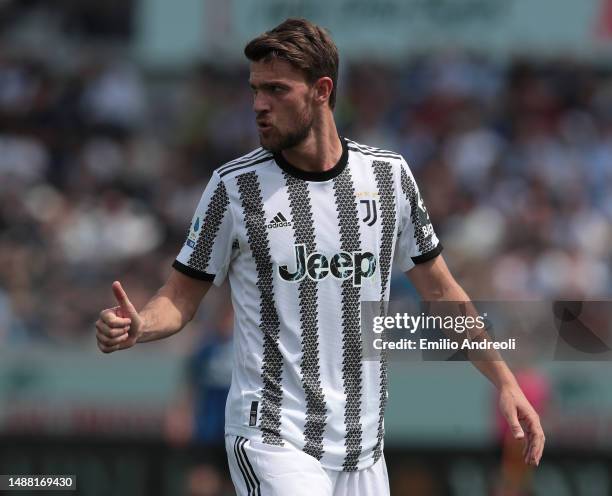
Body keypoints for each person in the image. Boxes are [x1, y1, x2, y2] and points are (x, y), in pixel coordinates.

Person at [95, 18, 545, 496]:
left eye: (276, 90)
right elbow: (180, 298)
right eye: (254, 90)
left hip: (363, 449)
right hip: (271, 436)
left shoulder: (389, 178)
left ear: (321, 91)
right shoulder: (233, 188)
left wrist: (504, 380)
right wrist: (141, 324)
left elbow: (441, 290)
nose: (259, 105)